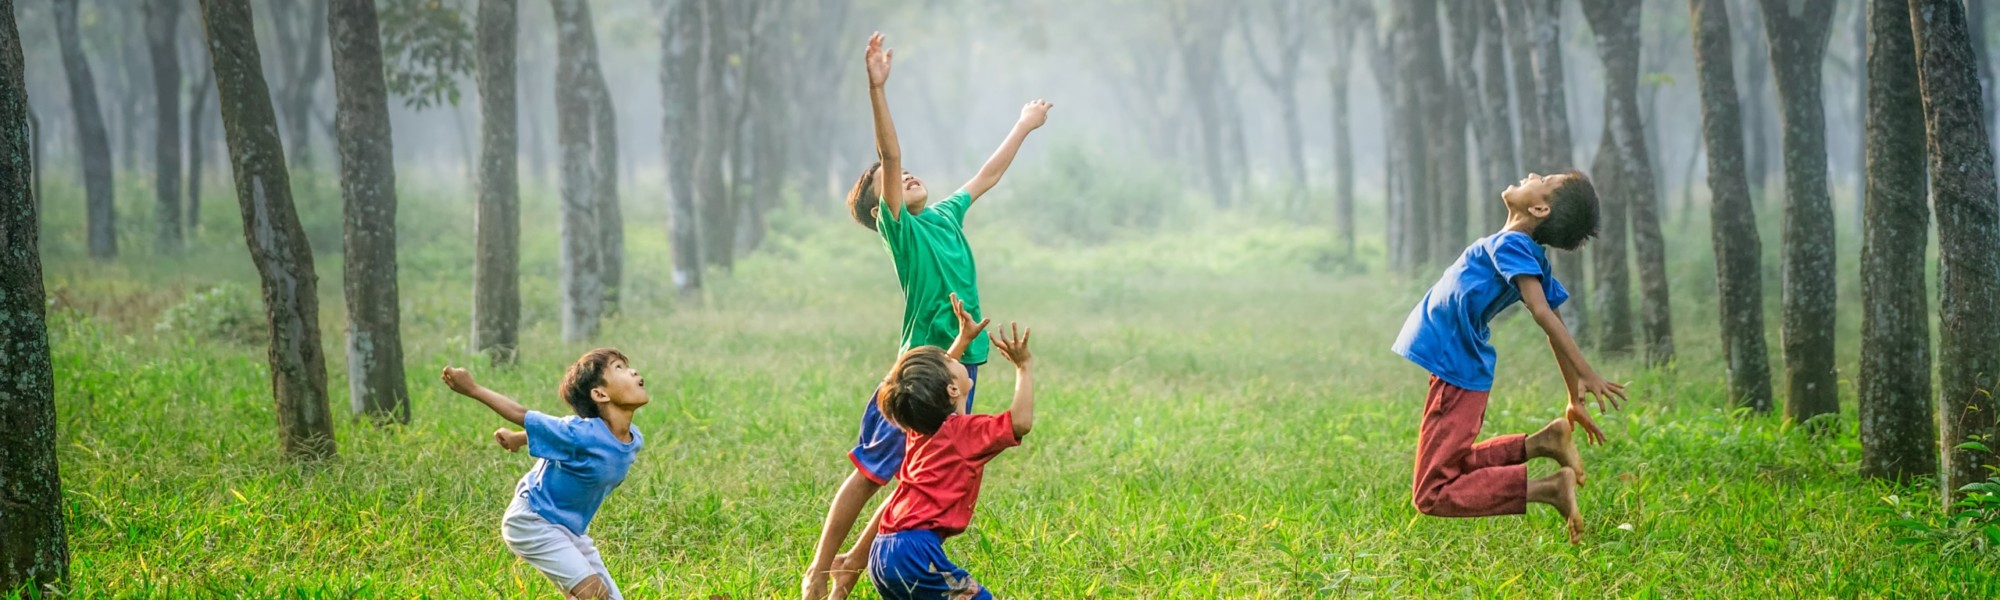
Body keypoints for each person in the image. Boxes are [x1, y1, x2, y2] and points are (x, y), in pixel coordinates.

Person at [804, 30, 1052, 600]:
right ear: (879, 205)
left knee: (918, 473)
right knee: (872, 473)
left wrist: (1023, 124)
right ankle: (819, 573)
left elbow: (986, 175)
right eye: (886, 181)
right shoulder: (902, 230)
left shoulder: (944, 216)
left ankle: (853, 567)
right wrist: (877, 89)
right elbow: (890, 154)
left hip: (960, 363)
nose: (903, 173)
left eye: (903, 173)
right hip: (917, 372)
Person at [1389, 171, 1626, 544]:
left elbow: (1544, 314)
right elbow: (1554, 323)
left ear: (1539, 207)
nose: (1532, 174)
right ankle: (1544, 443)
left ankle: (1549, 490)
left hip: (1457, 368)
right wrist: (1572, 395)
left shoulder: (1514, 245)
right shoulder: (1522, 249)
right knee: (1453, 465)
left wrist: (1587, 373)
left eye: (1543, 178)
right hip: (1457, 367)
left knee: (1432, 492)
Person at [441, 349, 648, 599]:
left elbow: (557, 437)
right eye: (619, 368)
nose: (633, 371)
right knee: (593, 594)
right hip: (533, 520)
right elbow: (522, 415)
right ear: (600, 394)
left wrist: (518, 439)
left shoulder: (633, 439)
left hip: (569, 530)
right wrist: (472, 388)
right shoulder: (579, 432)